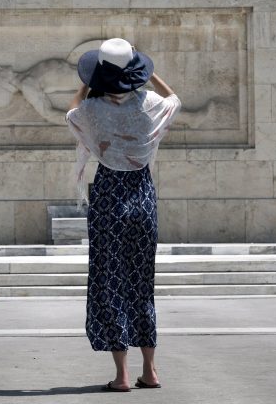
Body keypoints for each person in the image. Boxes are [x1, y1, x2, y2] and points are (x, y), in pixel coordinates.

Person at [65, 38, 181, 392]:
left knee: (110, 280)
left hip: (109, 199)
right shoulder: (149, 105)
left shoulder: (93, 110)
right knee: (141, 284)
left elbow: (71, 112)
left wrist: (89, 81)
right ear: (134, 73)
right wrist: (148, 74)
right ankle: (151, 369)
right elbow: (175, 99)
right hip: (143, 198)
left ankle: (123, 375)